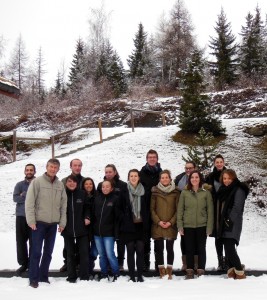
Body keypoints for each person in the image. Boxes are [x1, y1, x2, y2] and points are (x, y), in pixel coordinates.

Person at [25, 158, 67, 288]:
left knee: (48, 252)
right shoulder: (37, 182)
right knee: (36, 252)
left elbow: (63, 205)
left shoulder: (60, 185)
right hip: (39, 223)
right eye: (51, 167)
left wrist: (62, 223)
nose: (53, 169)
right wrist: (31, 220)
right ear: (47, 167)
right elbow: (29, 202)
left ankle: (44, 277)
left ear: (58, 169)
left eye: (55, 167)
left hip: (52, 224)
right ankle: (33, 278)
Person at [177, 170, 213, 279]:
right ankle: (190, 270)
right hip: (188, 225)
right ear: (190, 179)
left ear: (200, 179)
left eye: (196, 177)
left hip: (202, 225)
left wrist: (209, 227)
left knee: (201, 248)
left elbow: (210, 211)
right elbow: (180, 210)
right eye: (192, 177)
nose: (194, 179)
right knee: (189, 249)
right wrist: (180, 226)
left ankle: (201, 270)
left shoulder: (206, 193)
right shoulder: (184, 192)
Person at [217, 169, 249, 280]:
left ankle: (240, 272)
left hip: (233, 223)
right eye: (224, 178)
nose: (226, 181)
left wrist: (229, 221)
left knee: (230, 248)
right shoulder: (225, 190)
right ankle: (232, 271)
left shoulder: (239, 189)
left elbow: (237, 208)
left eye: (229, 178)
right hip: (225, 222)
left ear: (233, 178)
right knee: (227, 248)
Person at [97, 164, 128, 271]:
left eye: (110, 172)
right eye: (106, 172)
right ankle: (109, 265)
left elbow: (125, 202)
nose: (108, 174)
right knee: (107, 246)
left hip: (119, 219)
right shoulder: (101, 185)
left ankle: (120, 263)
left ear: (115, 172)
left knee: (120, 243)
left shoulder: (123, 185)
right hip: (106, 221)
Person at [150, 170, 180, 280]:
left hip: (170, 225)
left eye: (166, 177)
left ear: (170, 179)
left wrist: (171, 222)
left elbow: (178, 209)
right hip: (158, 225)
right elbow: (152, 209)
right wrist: (158, 221)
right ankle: (161, 270)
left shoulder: (176, 192)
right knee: (159, 249)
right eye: (162, 178)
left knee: (169, 248)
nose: (164, 179)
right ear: (159, 179)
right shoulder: (155, 192)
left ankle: (169, 270)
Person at [62, 175, 91, 283]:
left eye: (74, 182)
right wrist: (60, 224)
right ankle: (71, 276)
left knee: (83, 253)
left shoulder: (82, 194)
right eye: (69, 181)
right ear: (66, 183)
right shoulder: (63, 195)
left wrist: (87, 217)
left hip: (82, 229)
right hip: (67, 229)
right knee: (70, 254)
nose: (72, 183)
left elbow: (87, 208)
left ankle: (84, 276)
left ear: (77, 183)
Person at [119, 169, 146, 282]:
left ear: (139, 177)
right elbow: (119, 208)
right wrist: (124, 220)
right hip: (128, 226)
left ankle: (139, 275)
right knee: (130, 251)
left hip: (141, 225)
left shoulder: (144, 191)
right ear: (128, 178)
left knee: (140, 250)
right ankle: (131, 275)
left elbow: (147, 208)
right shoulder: (123, 191)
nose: (133, 178)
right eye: (131, 176)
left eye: (135, 176)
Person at [60, 158, 85, 272]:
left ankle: (80, 263)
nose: (77, 167)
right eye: (75, 165)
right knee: (68, 245)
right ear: (71, 166)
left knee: (82, 245)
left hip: (81, 217)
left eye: (79, 165)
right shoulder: (64, 180)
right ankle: (68, 263)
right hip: (68, 218)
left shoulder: (85, 181)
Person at [139, 149, 162, 272]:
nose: (152, 159)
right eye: (150, 157)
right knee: (145, 238)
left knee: (158, 239)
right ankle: (145, 263)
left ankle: (159, 263)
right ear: (147, 159)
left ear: (157, 159)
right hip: (145, 210)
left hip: (159, 210)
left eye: (154, 157)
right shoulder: (141, 173)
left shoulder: (161, 174)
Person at [93, 180, 120, 282]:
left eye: (107, 186)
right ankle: (104, 273)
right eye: (103, 186)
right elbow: (93, 215)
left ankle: (116, 272)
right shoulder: (97, 199)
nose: (105, 188)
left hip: (109, 233)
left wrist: (116, 232)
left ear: (111, 188)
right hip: (97, 233)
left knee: (110, 254)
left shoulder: (115, 199)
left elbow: (117, 218)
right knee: (102, 255)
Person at [13, 163, 36, 276]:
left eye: (31, 170)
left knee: (34, 242)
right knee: (21, 242)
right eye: (27, 170)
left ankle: (32, 264)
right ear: (24, 171)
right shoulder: (19, 185)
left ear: (34, 172)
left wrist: (24, 195)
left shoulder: (38, 184)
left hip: (34, 218)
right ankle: (23, 264)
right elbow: (15, 198)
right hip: (21, 217)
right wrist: (25, 196)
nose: (29, 172)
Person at [205, 154, 228, 271]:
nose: (219, 164)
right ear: (214, 163)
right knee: (218, 236)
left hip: (226, 208)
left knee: (227, 235)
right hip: (215, 209)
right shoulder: (210, 177)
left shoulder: (229, 175)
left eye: (221, 162)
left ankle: (228, 260)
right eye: (217, 162)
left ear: (223, 163)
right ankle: (220, 260)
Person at [174, 161, 197, 271]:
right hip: (182, 212)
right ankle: (186, 263)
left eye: (190, 168)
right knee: (184, 240)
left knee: (196, 240)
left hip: (196, 214)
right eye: (186, 168)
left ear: (195, 168)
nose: (188, 170)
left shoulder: (199, 178)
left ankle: (196, 263)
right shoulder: (179, 179)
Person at [82, 177, 98, 278]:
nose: (89, 186)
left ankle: (90, 266)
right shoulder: (80, 196)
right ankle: (87, 270)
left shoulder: (97, 196)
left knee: (94, 250)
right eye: (86, 184)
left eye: (90, 184)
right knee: (85, 249)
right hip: (84, 227)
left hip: (95, 227)